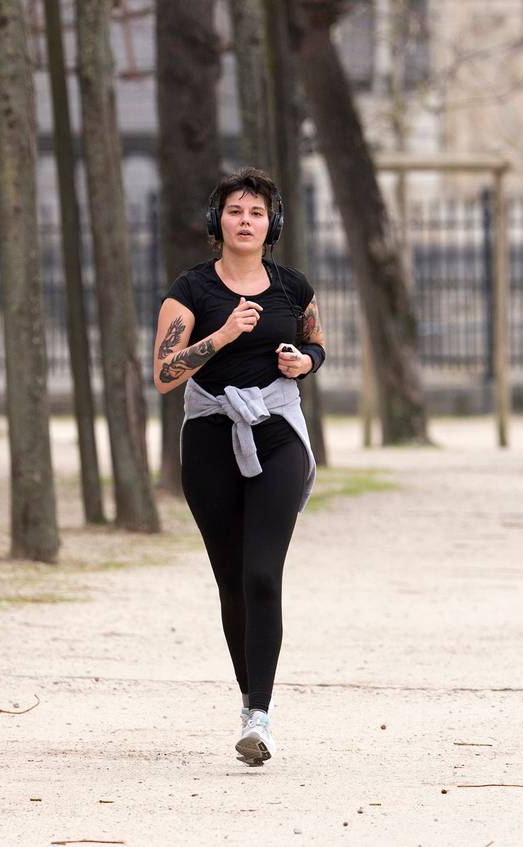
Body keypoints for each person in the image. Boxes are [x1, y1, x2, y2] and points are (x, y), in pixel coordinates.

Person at [153, 167, 326, 766]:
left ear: (271, 224)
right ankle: (247, 697)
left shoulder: (293, 287)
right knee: (231, 580)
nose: (245, 221)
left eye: (256, 212)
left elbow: (317, 344)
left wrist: (304, 363)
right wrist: (223, 334)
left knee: (261, 574)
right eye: (235, 211)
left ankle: (260, 716)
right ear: (217, 221)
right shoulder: (190, 291)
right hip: (209, 438)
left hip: (278, 436)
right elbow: (164, 374)